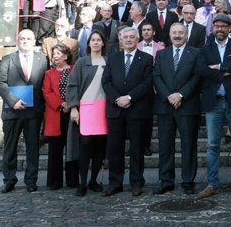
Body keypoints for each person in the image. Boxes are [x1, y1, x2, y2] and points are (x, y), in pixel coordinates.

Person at [196, 14, 231, 200]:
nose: (219, 29)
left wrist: (217, 67)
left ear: (229, 29)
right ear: (212, 29)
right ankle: (212, 184)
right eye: (216, 26)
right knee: (212, 145)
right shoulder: (205, 48)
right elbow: (201, 70)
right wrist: (226, 70)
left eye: (223, 26)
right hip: (214, 101)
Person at [101, 27, 153, 197]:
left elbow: (147, 84)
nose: (129, 40)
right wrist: (118, 99)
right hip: (116, 109)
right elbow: (106, 82)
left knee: (137, 148)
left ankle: (136, 182)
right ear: (120, 40)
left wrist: (129, 98)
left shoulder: (146, 58)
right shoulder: (113, 58)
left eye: (132, 37)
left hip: (136, 110)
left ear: (137, 39)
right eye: (125, 37)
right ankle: (115, 183)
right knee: (115, 148)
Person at [0, 29, 48, 193]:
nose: (25, 41)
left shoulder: (43, 59)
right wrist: (13, 101)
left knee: (32, 148)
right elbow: (1, 84)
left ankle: (31, 180)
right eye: (22, 38)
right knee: (10, 148)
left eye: (28, 38)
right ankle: (9, 180)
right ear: (18, 41)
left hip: (34, 112)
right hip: (13, 111)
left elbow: (46, 84)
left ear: (34, 41)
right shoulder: (8, 59)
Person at [152, 23, 201, 195]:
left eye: (181, 32)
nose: (178, 35)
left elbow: (197, 77)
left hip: (187, 106)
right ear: (170, 35)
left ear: (186, 34)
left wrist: (180, 95)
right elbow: (156, 76)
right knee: (165, 145)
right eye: (175, 33)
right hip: (165, 106)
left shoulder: (196, 53)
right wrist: (168, 96)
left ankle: (188, 180)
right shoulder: (161, 54)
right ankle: (166, 181)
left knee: (188, 145)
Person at [67, 30, 108, 196]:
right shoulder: (82, 62)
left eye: (99, 40)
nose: (96, 42)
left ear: (103, 43)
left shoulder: (109, 62)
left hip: (104, 109)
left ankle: (94, 180)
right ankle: (82, 181)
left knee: (100, 147)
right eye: (93, 40)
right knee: (84, 146)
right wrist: (74, 107)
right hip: (86, 108)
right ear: (89, 43)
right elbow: (73, 84)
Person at [42, 44, 79, 190]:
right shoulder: (48, 74)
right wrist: (61, 104)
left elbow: (78, 87)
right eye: (54, 54)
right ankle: (54, 182)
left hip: (72, 113)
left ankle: (73, 180)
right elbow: (47, 92)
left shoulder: (74, 70)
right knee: (55, 149)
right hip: (55, 114)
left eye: (58, 53)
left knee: (72, 148)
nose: (55, 56)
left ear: (65, 55)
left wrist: (71, 104)